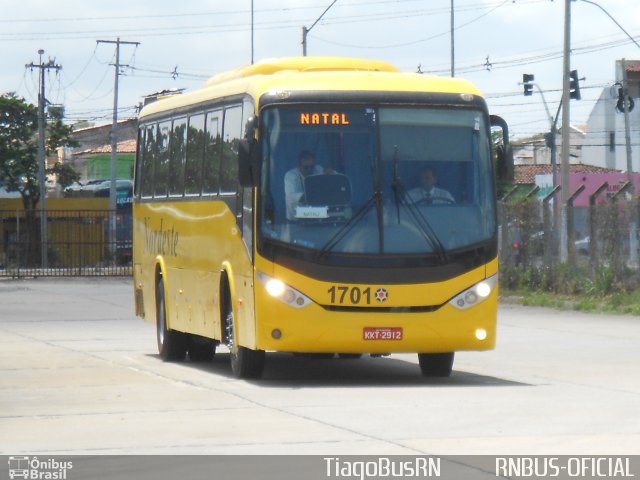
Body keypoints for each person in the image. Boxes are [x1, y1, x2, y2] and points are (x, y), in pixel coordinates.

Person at [284, 151, 333, 220]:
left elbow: (334, 179)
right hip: (296, 219)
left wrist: (331, 173)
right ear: (298, 165)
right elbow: (292, 196)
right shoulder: (290, 175)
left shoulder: (318, 169)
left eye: (312, 167)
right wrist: (318, 195)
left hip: (317, 216)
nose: (309, 170)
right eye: (306, 167)